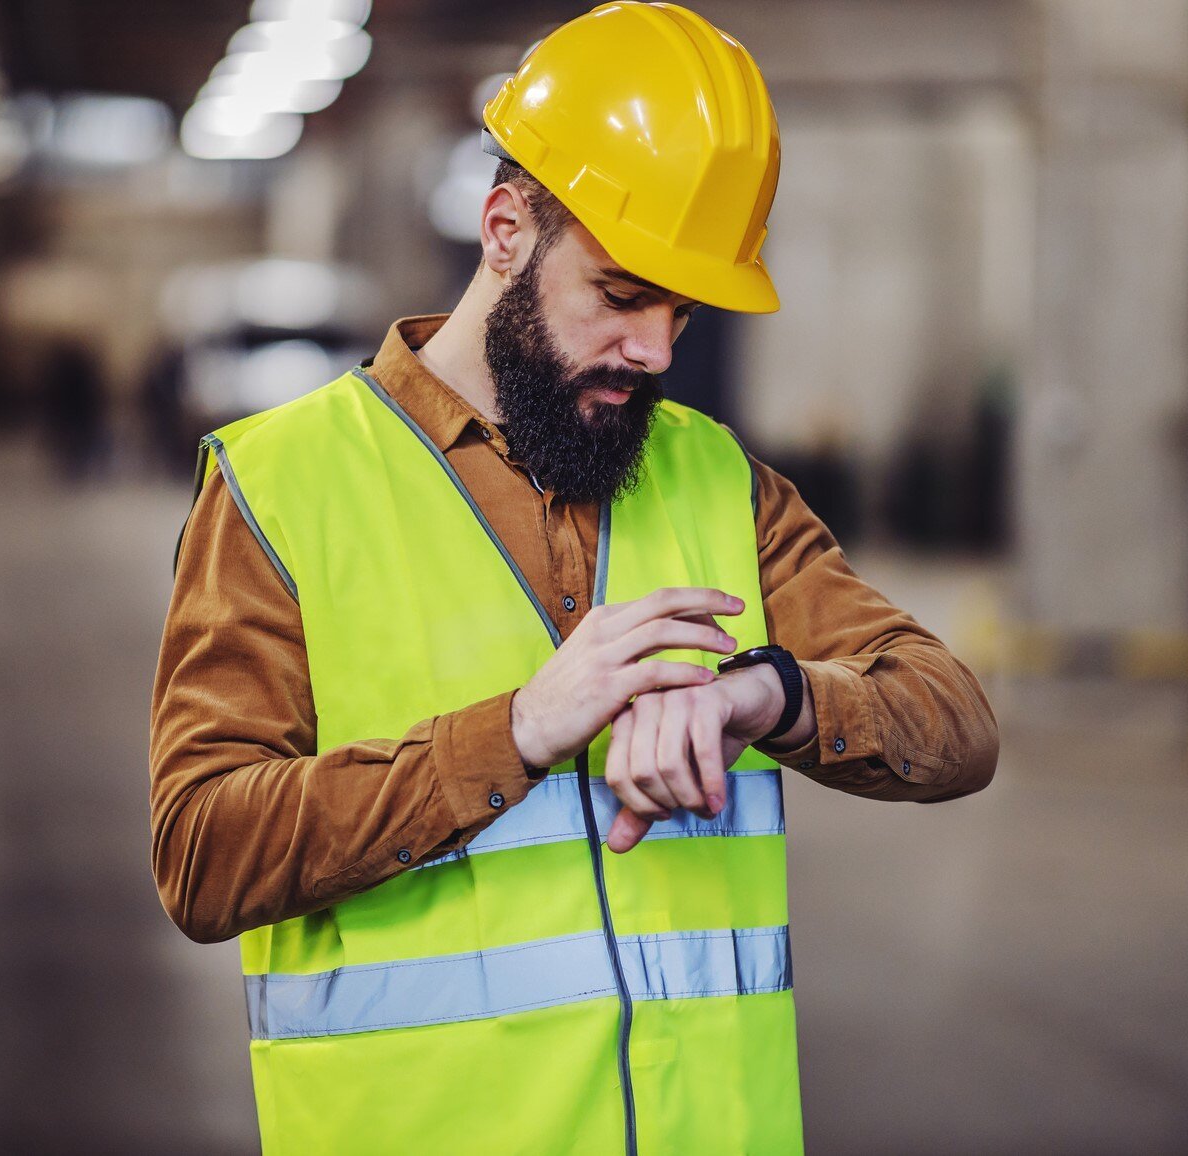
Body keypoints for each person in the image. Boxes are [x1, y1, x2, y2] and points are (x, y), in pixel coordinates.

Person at [148, 3, 998, 1152]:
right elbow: (202, 852)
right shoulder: (281, 487)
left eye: (680, 310)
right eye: (620, 292)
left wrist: (766, 694)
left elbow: (953, 725)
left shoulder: (712, 478)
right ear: (506, 229)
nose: (654, 349)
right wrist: (520, 728)